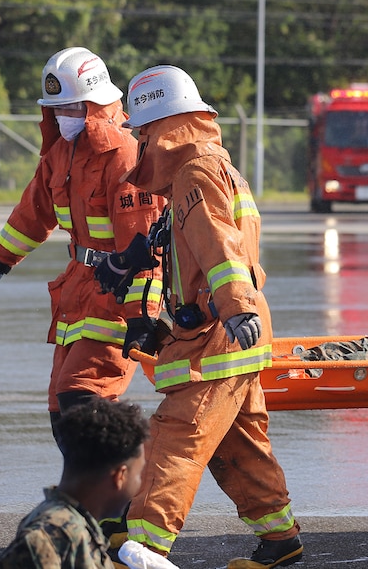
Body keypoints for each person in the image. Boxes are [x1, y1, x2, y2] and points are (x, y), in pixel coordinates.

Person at [96, 65, 302, 569]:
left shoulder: (195, 173)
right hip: (227, 332)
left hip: (219, 339)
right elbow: (193, 252)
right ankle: (280, 541)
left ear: (163, 129)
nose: (140, 142)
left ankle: (142, 550)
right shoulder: (212, 168)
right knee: (241, 447)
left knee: (176, 440)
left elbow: (221, 248)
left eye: (143, 132)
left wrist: (232, 306)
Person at [0, 47, 164, 448]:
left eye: (73, 108)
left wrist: (142, 317)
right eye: (57, 109)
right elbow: (33, 212)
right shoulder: (61, 153)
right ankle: (98, 501)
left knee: (84, 402)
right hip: (77, 290)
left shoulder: (124, 155)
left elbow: (144, 246)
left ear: (94, 105)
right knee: (64, 415)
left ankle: (122, 502)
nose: (64, 117)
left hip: (116, 292)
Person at [0, 397, 151, 569]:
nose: (139, 484)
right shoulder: (49, 537)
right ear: (120, 476)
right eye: (138, 474)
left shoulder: (75, 527)